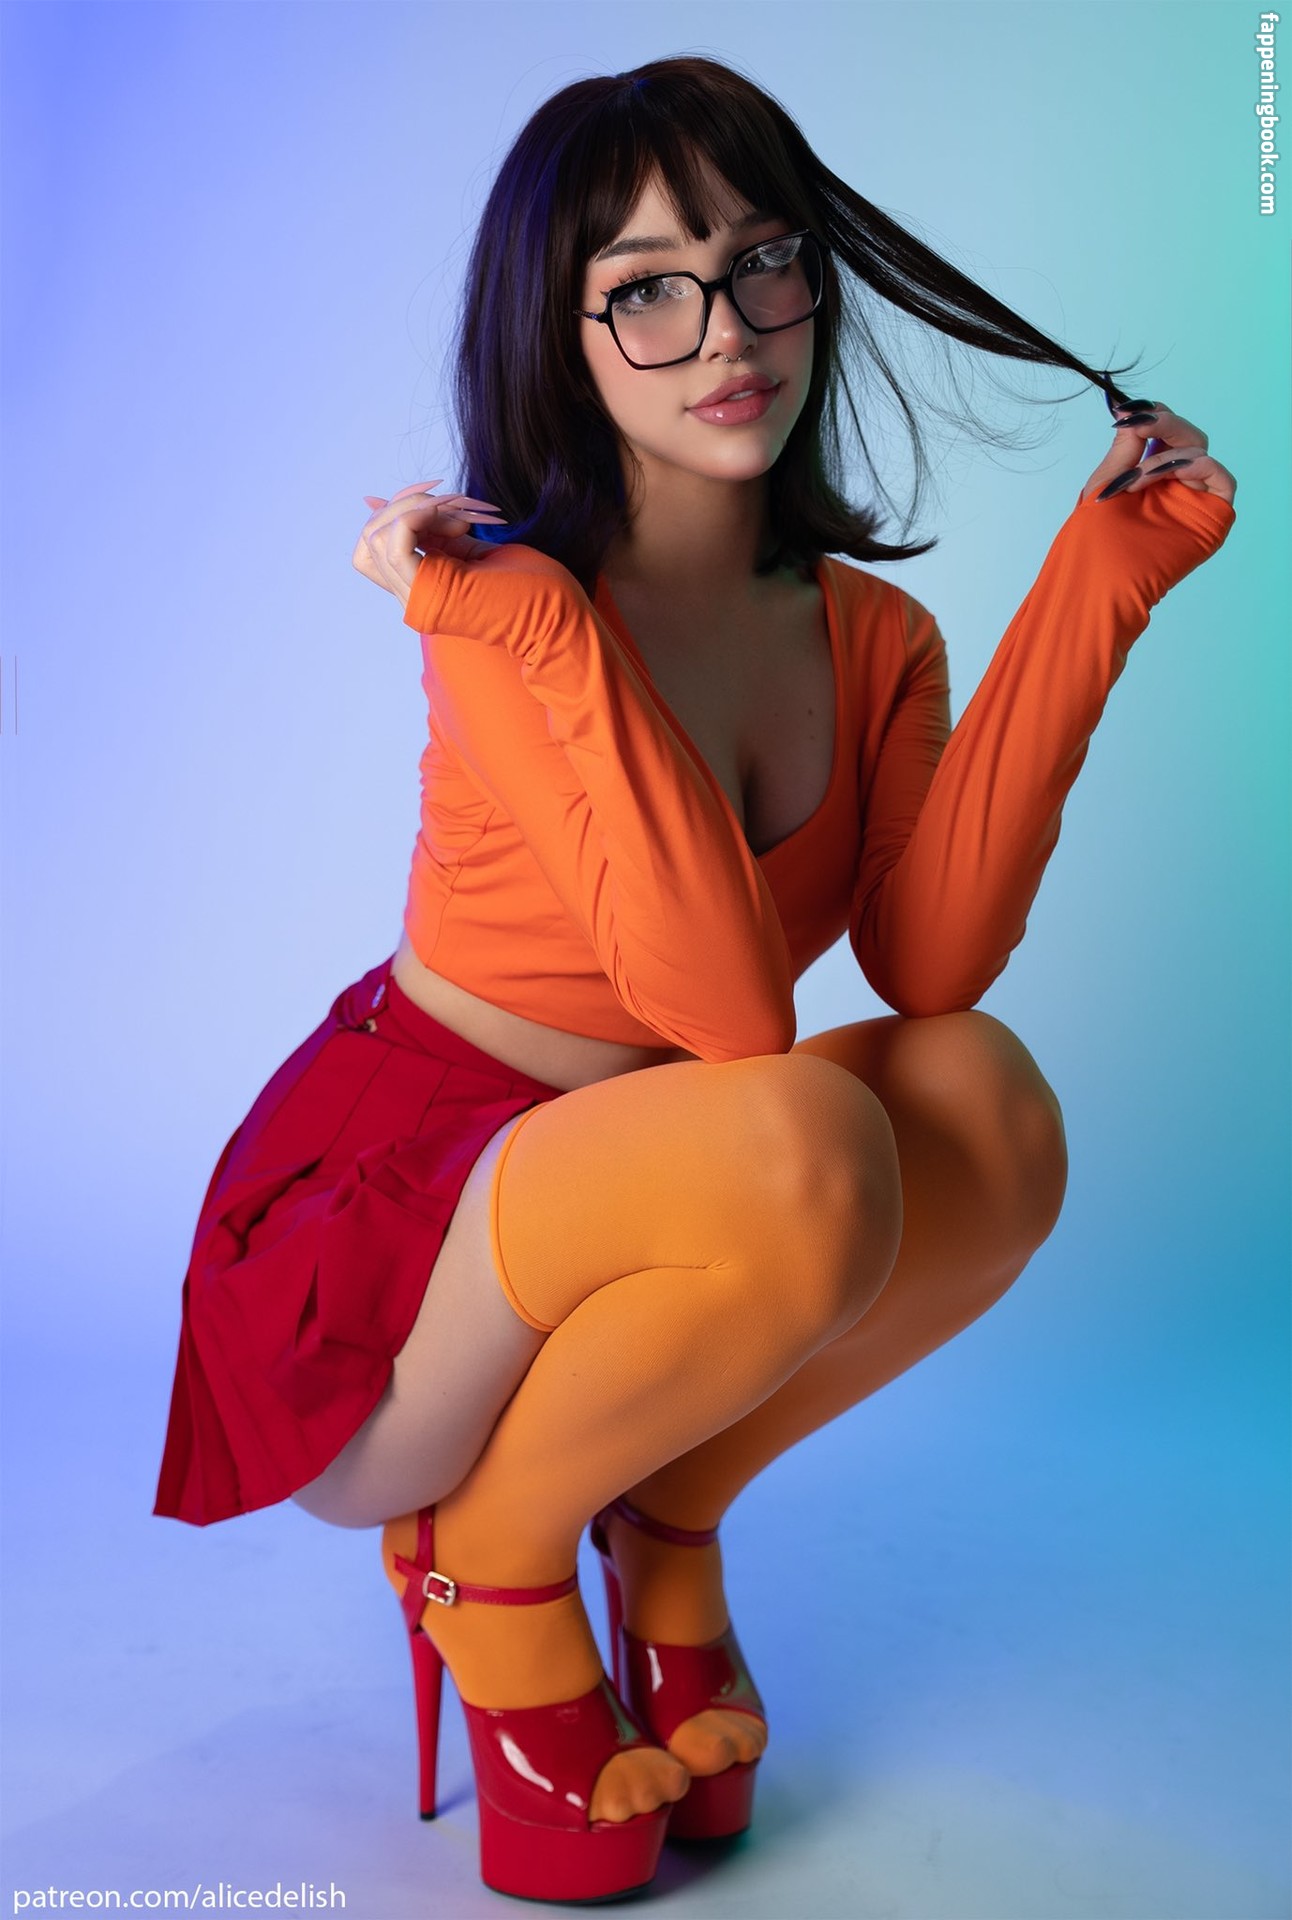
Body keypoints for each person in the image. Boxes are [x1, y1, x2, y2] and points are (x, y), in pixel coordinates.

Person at [152, 54, 1236, 1906]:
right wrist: (546, 628)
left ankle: (667, 1512)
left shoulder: (870, 633)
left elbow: (932, 961)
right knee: (794, 1127)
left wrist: (1105, 577)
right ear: (558, 337)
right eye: (644, 288)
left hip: (657, 1215)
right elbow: (731, 1014)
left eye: (760, 262)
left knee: (982, 1103)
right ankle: (489, 1558)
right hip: (388, 1249)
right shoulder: (503, 610)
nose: (724, 331)